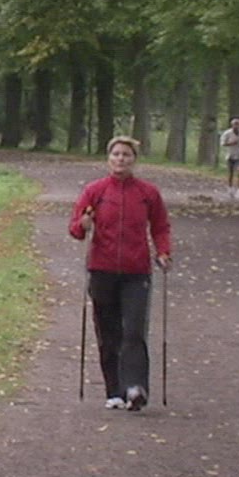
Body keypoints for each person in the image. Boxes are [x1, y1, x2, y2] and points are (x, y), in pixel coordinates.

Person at [68, 136, 173, 412]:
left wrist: (163, 252)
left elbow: (160, 227)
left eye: (126, 155)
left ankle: (135, 387)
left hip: (136, 272)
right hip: (101, 270)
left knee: (134, 330)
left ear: (134, 160)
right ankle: (114, 390)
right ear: (108, 158)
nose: (120, 159)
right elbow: (76, 230)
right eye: (116, 154)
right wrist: (83, 223)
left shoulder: (148, 193)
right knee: (108, 331)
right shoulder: (95, 191)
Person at [219, 116, 239, 201]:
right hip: (230, 155)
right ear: (232, 125)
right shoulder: (227, 133)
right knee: (230, 173)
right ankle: (230, 189)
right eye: (235, 124)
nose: (236, 126)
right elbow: (222, 143)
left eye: (238, 124)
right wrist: (231, 143)